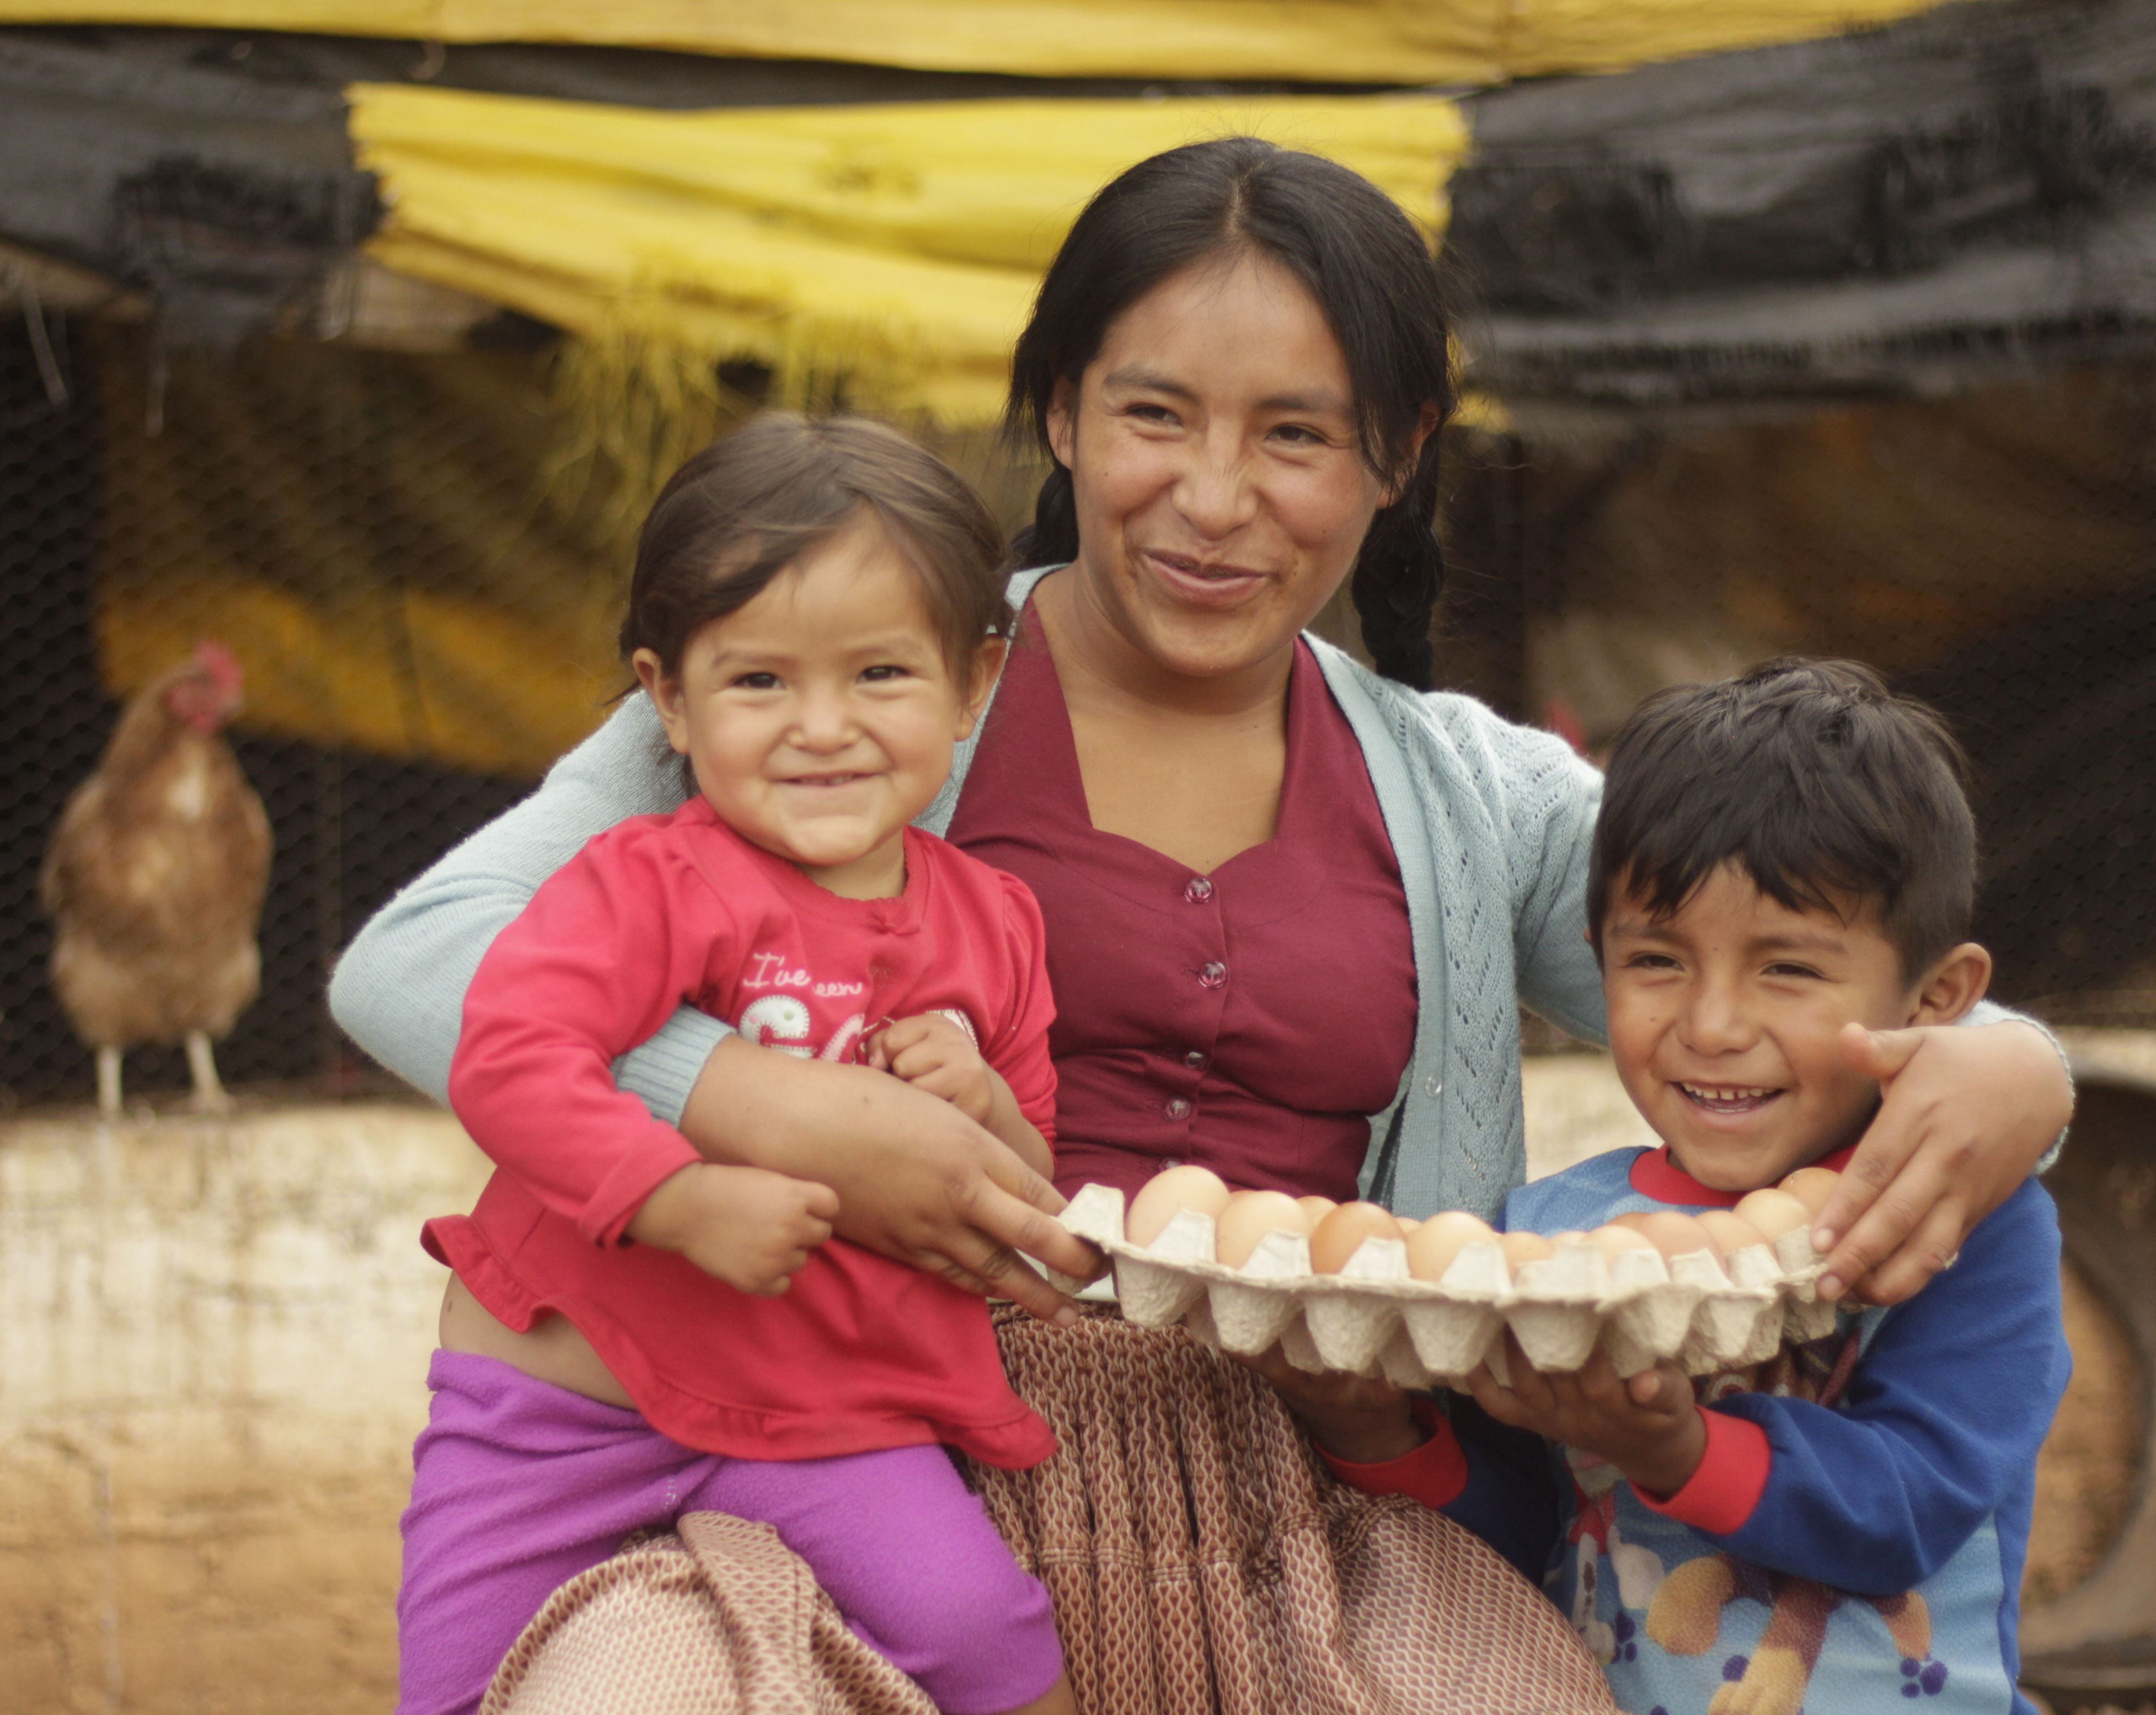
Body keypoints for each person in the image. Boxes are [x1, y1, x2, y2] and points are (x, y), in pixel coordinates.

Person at [335, 138, 2073, 1705]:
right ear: (1063, 416)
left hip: (1311, 1481)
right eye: (1155, 414)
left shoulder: (1470, 798)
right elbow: (416, 953)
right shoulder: (862, 683)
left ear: (1396, 457)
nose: (1216, 497)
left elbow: (1789, 924)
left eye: (1297, 434)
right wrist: (786, 1109)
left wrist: (2007, 1062)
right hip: (856, 1441)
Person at [403, 413, 1078, 1715]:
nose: (820, 728)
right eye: (759, 681)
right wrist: (673, 1197)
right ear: (668, 696)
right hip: (554, 1417)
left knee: (992, 1637)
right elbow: (506, 1052)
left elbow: (1029, 1190)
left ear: (973, 682)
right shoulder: (653, 880)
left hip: (834, 1422)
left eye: (880, 674)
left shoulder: (994, 925)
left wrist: (983, 1103)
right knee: (450, 1687)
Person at [1302, 660, 2069, 1715]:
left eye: (1787, 970)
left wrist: (1674, 1446)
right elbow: (1525, 1543)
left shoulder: (1956, 1220)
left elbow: (1914, 1505)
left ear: (1937, 997)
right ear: (1595, 956)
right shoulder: (1549, 1236)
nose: (1709, 1024)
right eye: (1656, 960)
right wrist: (1379, 1433)